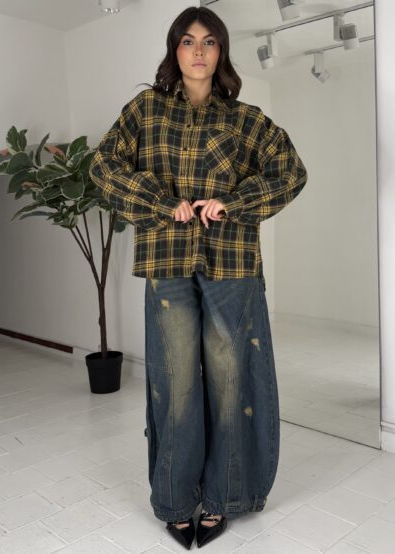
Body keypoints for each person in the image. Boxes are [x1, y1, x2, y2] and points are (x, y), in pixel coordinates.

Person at [89, 5, 308, 550]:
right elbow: (104, 166)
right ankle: (174, 498)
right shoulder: (145, 110)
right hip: (166, 262)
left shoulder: (246, 120)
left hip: (231, 263)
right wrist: (161, 202)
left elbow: (290, 172)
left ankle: (224, 496)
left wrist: (232, 202)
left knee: (231, 383)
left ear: (221, 51)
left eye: (209, 41)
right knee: (176, 383)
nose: (199, 51)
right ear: (175, 49)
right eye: (188, 41)